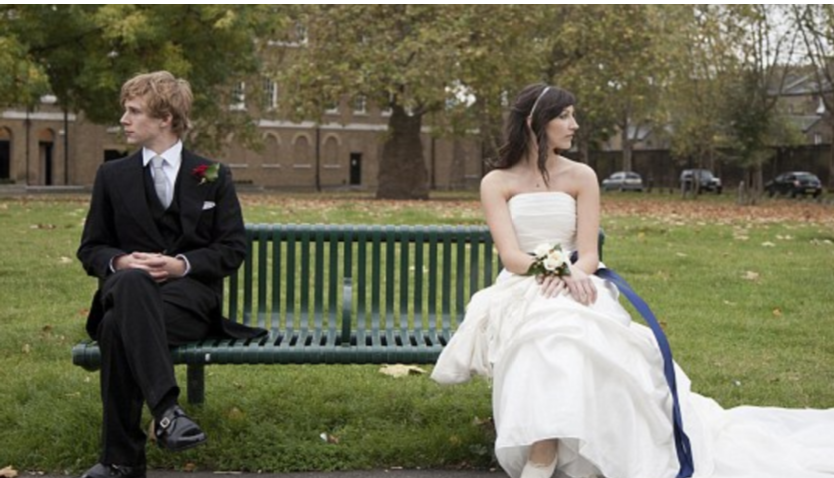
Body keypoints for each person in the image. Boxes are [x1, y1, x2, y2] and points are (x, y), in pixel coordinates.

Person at [431, 83, 834, 478]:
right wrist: (552, 268)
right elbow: (512, 257)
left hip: (579, 280)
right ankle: (544, 450)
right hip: (524, 284)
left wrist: (571, 273)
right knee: (545, 330)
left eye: (574, 115)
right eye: (565, 116)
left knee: (570, 325)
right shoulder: (497, 182)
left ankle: (570, 448)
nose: (574, 124)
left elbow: (588, 254)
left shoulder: (581, 176)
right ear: (537, 121)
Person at [77, 71, 265, 478]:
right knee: (128, 282)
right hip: (129, 291)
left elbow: (233, 250)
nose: (124, 119)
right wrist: (122, 262)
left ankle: (121, 461)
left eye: (133, 111)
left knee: (114, 327)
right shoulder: (112, 176)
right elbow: (91, 248)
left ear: (165, 118)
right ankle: (167, 413)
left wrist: (182, 265)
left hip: (188, 301)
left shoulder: (211, 174)